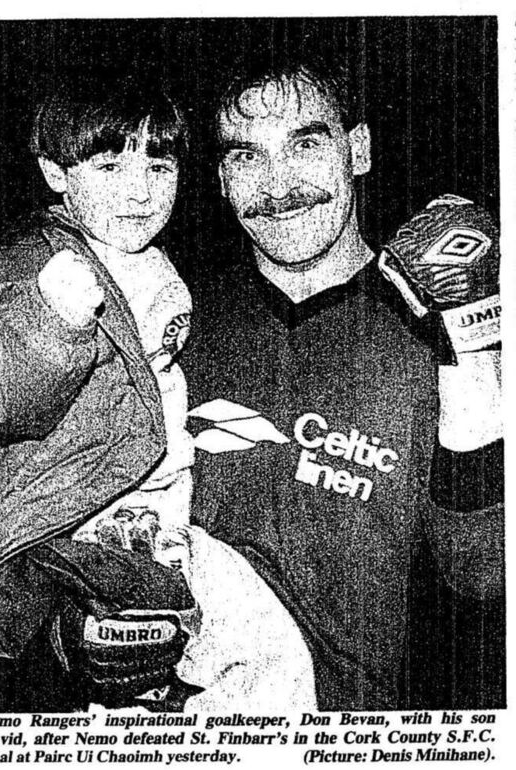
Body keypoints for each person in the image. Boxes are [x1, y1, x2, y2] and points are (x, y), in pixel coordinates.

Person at [0, 70, 317, 712]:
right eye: (109, 164)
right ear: (55, 173)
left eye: (159, 165)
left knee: (271, 655)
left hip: (159, 510)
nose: (141, 190)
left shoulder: (150, 259)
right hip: (77, 520)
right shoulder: (27, 267)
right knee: (134, 669)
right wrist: (54, 322)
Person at [183, 53, 504, 711]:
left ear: (356, 149)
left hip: (338, 739)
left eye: (304, 144)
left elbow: (484, 575)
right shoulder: (174, 321)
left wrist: (474, 349)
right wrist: (79, 632)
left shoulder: (439, 333)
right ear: (219, 178)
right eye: (246, 157)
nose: (277, 186)